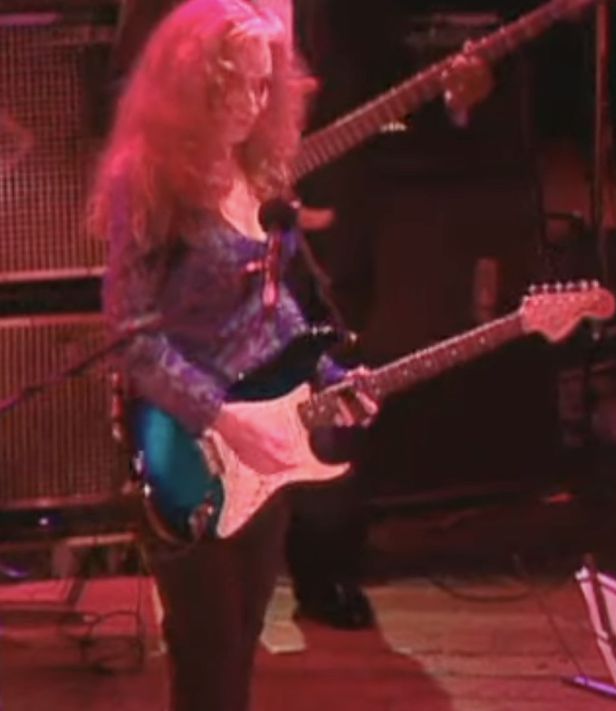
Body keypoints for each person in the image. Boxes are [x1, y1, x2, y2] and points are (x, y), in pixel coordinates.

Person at [92, 1, 374, 708]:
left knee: (241, 641)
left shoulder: (263, 177)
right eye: (234, 85)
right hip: (184, 444)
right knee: (207, 660)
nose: (252, 102)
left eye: (261, 84)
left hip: (262, 448)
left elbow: (278, 318)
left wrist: (334, 376)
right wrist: (221, 415)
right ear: (193, 86)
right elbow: (131, 333)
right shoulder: (148, 179)